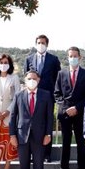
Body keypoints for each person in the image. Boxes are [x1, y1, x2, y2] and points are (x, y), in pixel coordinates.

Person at [9, 70, 54, 169]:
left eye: (34, 78)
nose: (32, 80)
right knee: (23, 166)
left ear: (39, 80)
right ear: (25, 80)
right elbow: (13, 116)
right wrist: (12, 135)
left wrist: (48, 134)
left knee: (39, 165)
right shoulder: (19, 95)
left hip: (40, 136)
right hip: (22, 135)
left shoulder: (46, 95)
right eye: (29, 78)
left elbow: (49, 117)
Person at [54, 47, 85, 169]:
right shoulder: (61, 73)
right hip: (65, 114)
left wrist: (77, 107)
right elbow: (57, 94)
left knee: (80, 143)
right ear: (67, 57)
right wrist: (66, 108)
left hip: (80, 113)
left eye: (75, 56)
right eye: (70, 56)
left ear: (80, 57)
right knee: (65, 143)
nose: (73, 58)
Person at [24, 34, 60, 162]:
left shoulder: (54, 59)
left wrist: (56, 96)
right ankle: (33, 153)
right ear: (35, 44)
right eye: (39, 42)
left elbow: (58, 79)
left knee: (47, 124)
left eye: (43, 42)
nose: (41, 44)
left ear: (47, 44)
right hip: (32, 96)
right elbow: (26, 77)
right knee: (33, 123)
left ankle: (46, 154)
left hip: (48, 97)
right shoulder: (29, 59)